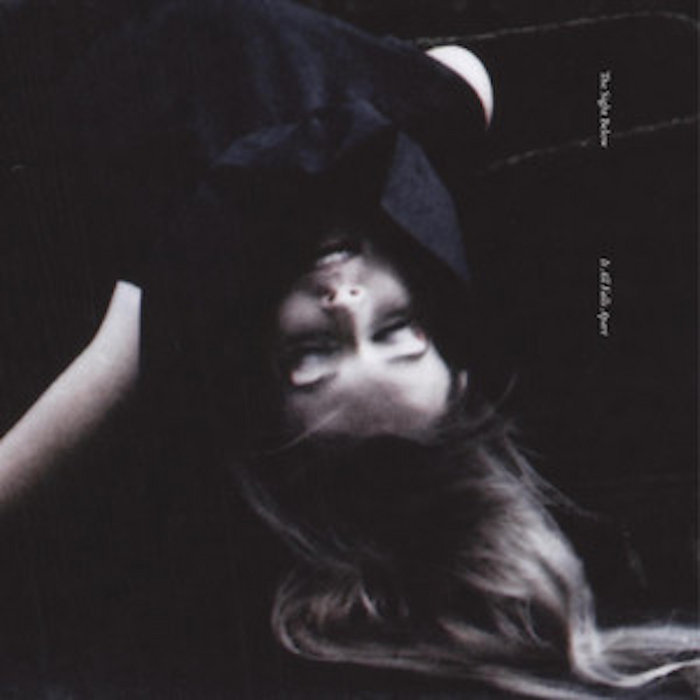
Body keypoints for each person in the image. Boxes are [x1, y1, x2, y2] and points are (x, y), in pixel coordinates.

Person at [0, 0, 697, 697]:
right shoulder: (424, 129)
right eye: (397, 332)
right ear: (446, 345)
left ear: (260, 386)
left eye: (313, 354)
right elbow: (481, 74)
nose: (348, 301)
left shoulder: (174, 291)